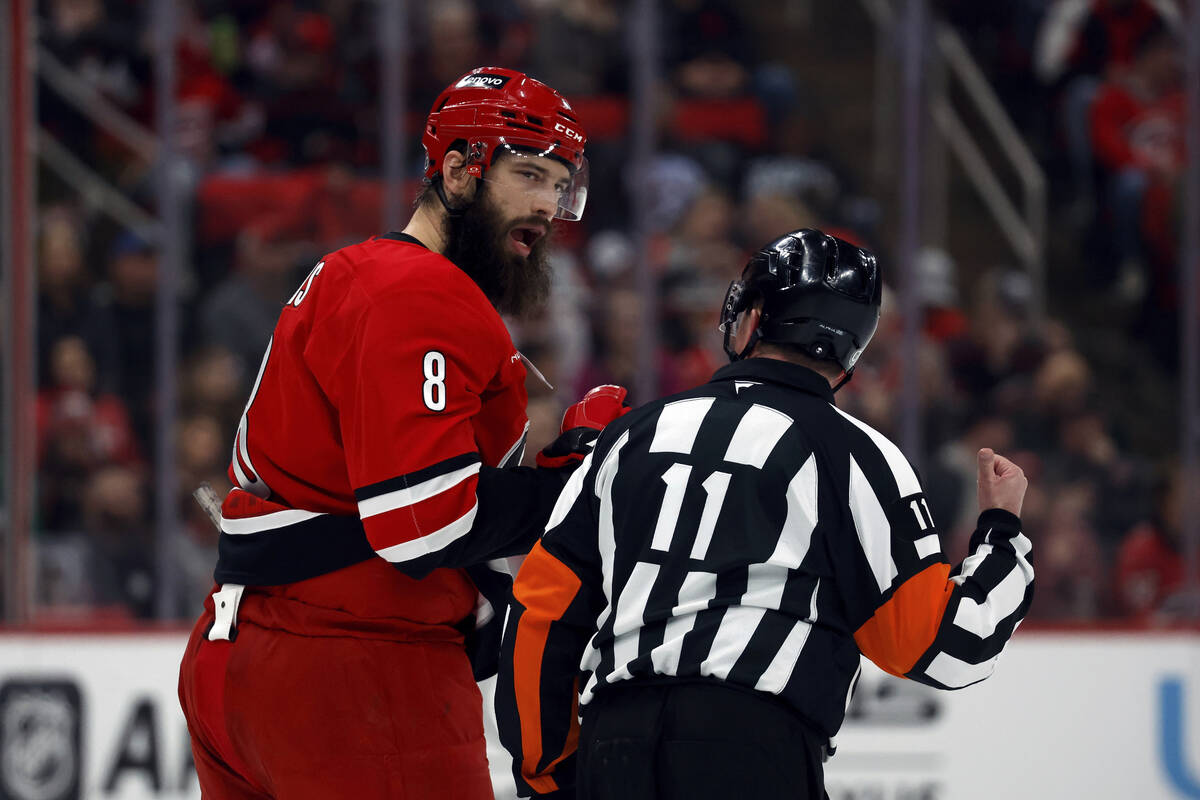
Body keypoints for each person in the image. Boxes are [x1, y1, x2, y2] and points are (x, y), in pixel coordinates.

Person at [178, 67, 625, 800]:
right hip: (353, 670)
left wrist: (544, 477)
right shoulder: (420, 291)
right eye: (529, 176)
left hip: (239, 654)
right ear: (457, 169)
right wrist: (564, 488)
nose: (547, 205)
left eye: (560, 184)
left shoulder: (354, 272)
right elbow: (419, 524)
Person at [496, 229, 1036, 800]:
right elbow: (942, 646)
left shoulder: (631, 435)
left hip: (617, 744)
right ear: (853, 349)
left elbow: (541, 615)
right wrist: (1000, 532)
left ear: (751, 321)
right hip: (752, 749)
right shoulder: (858, 455)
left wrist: (549, 775)